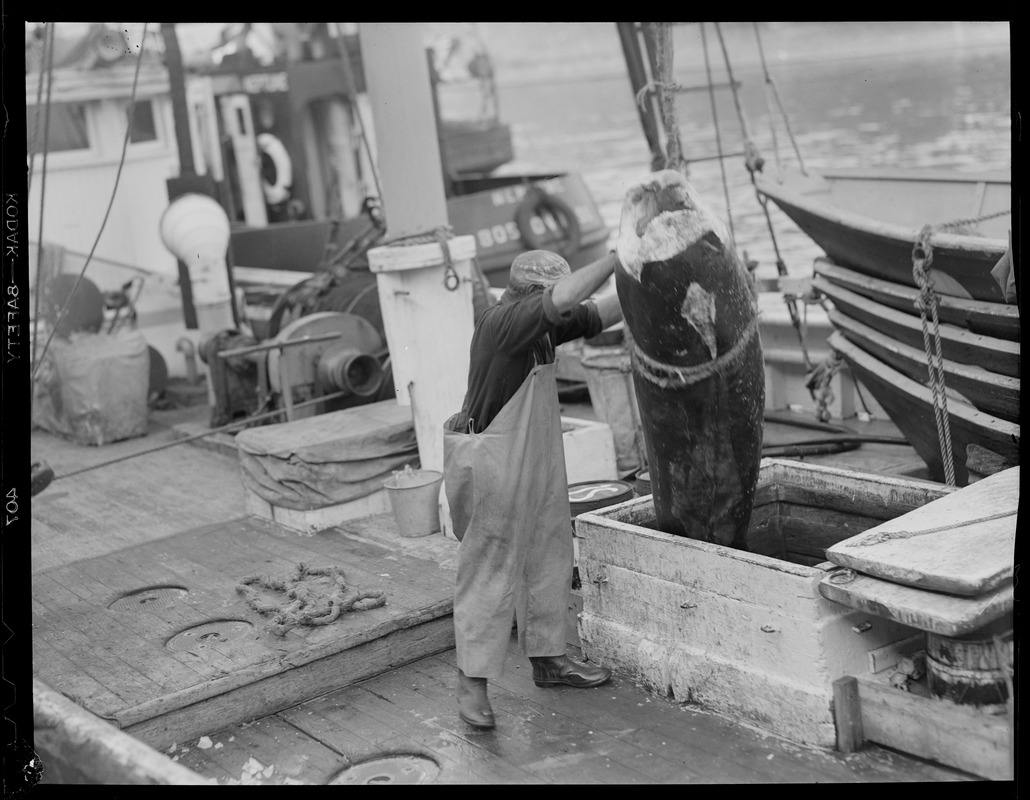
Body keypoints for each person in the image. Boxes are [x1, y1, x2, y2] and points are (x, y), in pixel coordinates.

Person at [442, 248, 624, 730]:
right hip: (493, 461)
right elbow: (565, 297)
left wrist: (644, 270)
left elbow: (598, 312)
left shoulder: (543, 326)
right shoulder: (503, 323)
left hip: (534, 458)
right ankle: (471, 685)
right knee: (490, 567)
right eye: (552, 300)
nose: (561, 311)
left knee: (549, 549)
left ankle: (549, 659)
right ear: (531, 296)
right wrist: (615, 255)